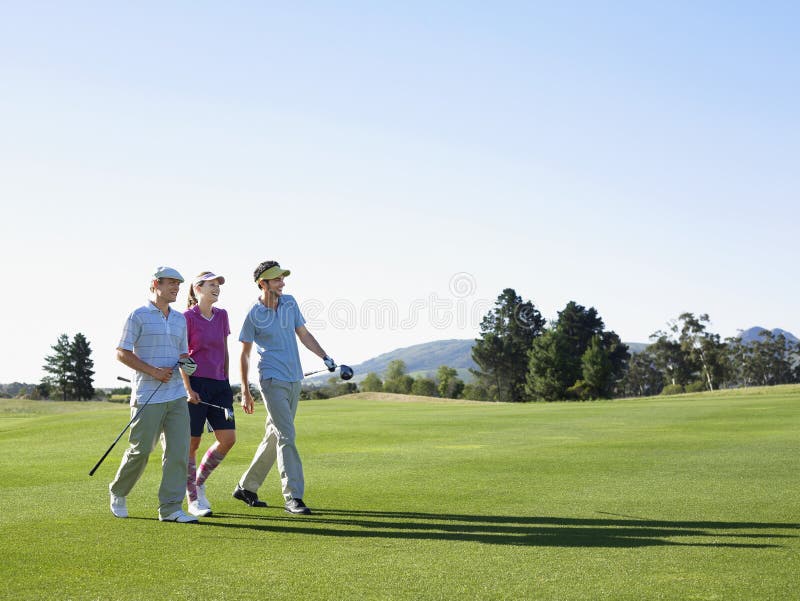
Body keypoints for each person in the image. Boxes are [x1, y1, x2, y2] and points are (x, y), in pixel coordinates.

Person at [233, 260, 338, 515]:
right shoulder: (252, 313)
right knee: (287, 436)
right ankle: (293, 497)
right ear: (263, 283)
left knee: (275, 434)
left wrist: (325, 356)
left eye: (282, 278)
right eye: (277, 279)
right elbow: (244, 354)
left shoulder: (290, 302)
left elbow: (303, 333)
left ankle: (246, 486)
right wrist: (245, 390)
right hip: (271, 379)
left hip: (294, 379)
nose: (282, 282)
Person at [109, 266, 199, 523]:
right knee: (140, 451)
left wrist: (188, 364)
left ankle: (170, 508)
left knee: (178, 453)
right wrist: (153, 371)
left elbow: (182, 355)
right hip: (147, 395)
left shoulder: (180, 319)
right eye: (171, 283)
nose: (176, 288)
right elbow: (121, 352)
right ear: (155, 284)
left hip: (176, 396)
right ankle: (118, 491)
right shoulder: (137, 315)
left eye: (178, 284)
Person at [180, 271, 236, 518]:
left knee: (228, 438)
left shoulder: (222, 315)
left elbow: (224, 350)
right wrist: (187, 388)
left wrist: (226, 379)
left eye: (218, 285)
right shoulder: (186, 318)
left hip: (220, 384)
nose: (216, 288)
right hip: (195, 384)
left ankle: (199, 482)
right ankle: (193, 498)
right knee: (192, 442)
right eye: (211, 285)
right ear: (197, 288)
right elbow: (182, 356)